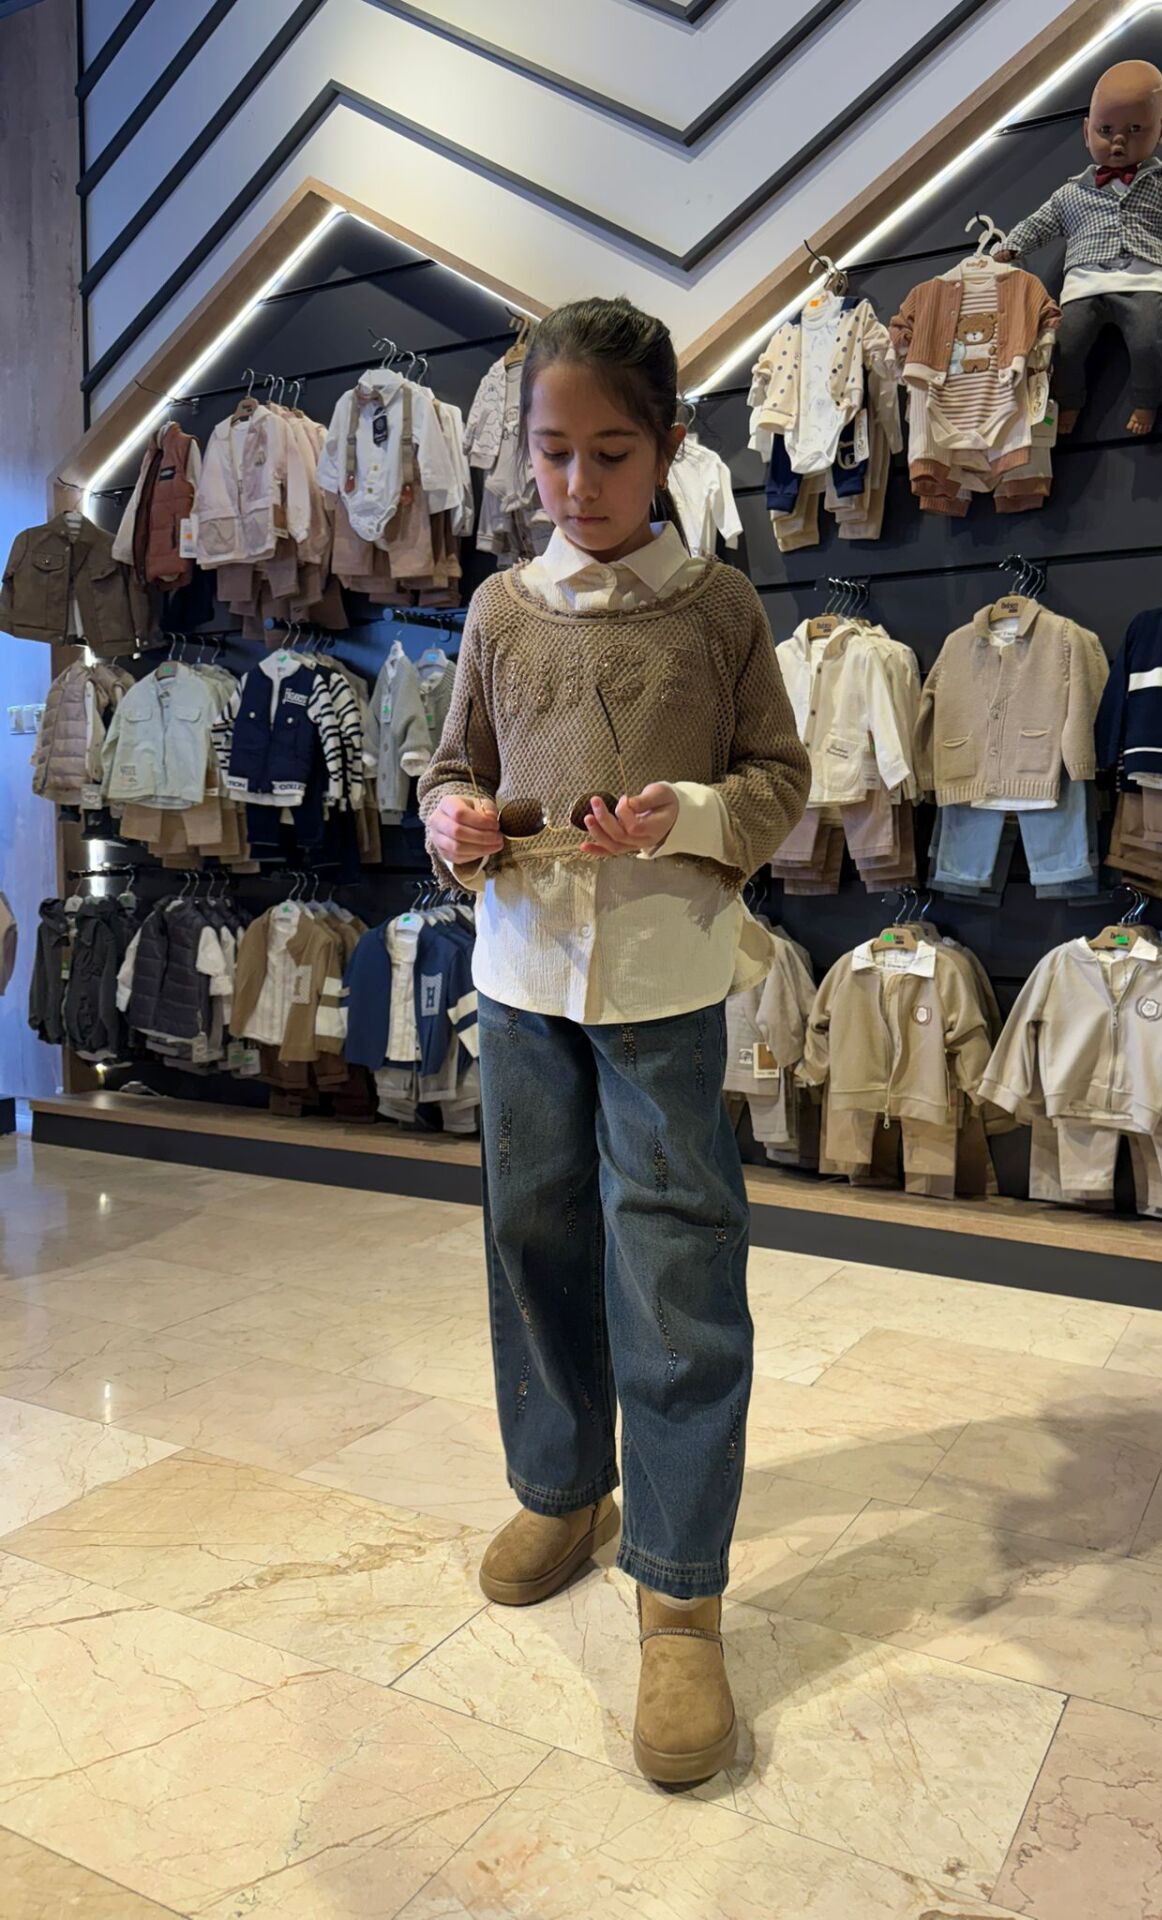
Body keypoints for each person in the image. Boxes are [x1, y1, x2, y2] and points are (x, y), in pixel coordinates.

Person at [418, 296, 810, 1786]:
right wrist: (455, 824)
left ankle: (682, 1590)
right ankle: (565, 1485)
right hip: (521, 979)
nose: (577, 484)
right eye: (552, 452)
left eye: (611, 453)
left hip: (662, 987)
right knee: (531, 1236)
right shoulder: (498, 611)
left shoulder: (719, 611)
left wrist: (688, 814)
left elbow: (779, 778)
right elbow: (450, 766)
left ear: (670, 445)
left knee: (678, 1269)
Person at [996, 58, 1162, 436]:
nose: (1119, 140)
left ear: (1161, 130)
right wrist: (1013, 246)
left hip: (1144, 281)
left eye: (1135, 129)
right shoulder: (1070, 193)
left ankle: (1147, 400)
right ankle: (1069, 400)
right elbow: (1038, 223)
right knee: (1063, 346)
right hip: (1083, 284)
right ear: (1086, 131)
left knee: (1146, 344)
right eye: (1106, 130)